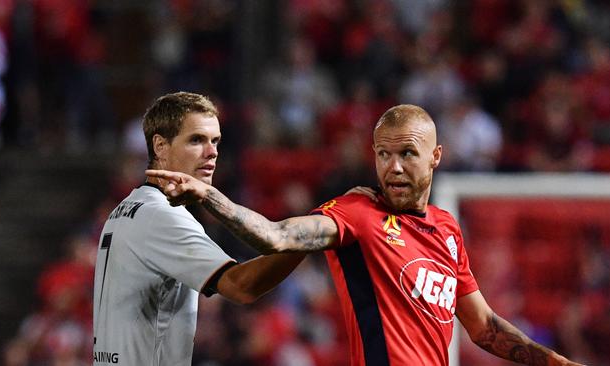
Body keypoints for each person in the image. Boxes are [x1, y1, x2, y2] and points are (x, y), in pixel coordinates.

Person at [147, 104, 583, 366]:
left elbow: (484, 327)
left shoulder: (447, 229)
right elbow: (278, 237)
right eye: (383, 154)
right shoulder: (357, 214)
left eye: (407, 153)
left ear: (435, 157)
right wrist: (209, 195)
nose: (393, 167)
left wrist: (555, 362)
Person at [93, 92, 305, 366]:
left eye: (215, 141)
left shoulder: (124, 208)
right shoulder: (163, 215)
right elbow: (241, 287)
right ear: (160, 146)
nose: (212, 151)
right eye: (196, 140)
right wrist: (306, 240)